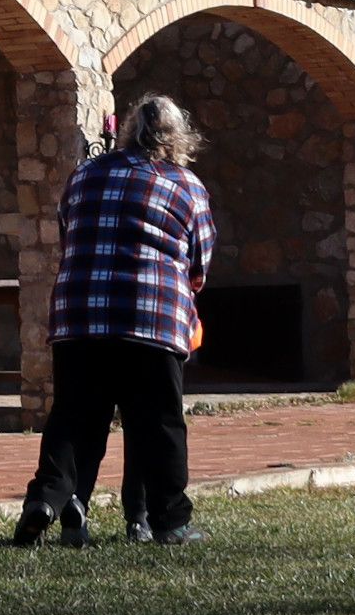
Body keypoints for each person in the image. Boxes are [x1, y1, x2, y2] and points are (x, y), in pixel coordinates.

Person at [15, 94, 217, 547]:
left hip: (79, 314)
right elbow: (200, 261)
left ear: (126, 132)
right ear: (178, 138)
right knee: (157, 422)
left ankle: (47, 499)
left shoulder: (85, 174)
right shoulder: (185, 185)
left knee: (72, 416)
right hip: (150, 317)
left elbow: (69, 231)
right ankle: (170, 521)